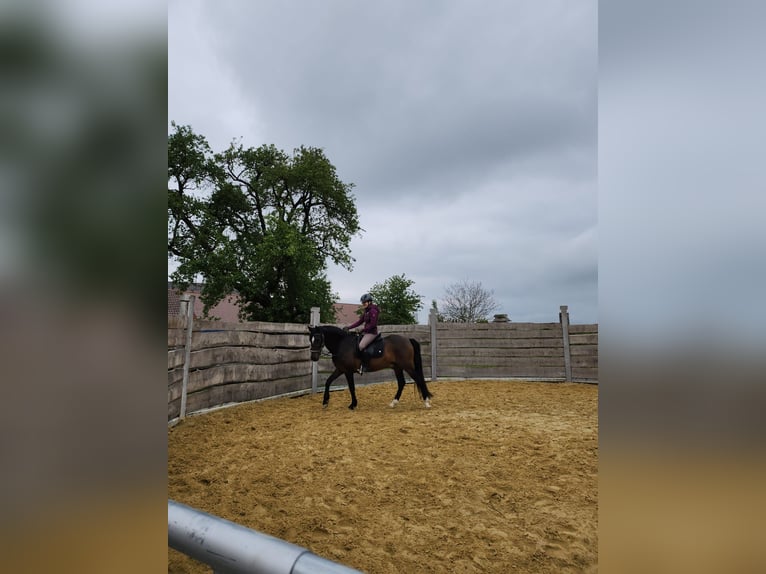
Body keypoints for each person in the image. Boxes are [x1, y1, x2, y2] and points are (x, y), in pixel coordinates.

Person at [344, 293, 379, 373]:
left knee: (361, 346)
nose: (363, 304)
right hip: (366, 332)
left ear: (369, 302)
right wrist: (349, 327)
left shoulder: (373, 311)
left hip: (372, 333)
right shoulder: (366, 311)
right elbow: (359, 322)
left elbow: (373, 325)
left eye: (364, 302)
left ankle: (365, 366)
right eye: (362, 302)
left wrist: (362, 330)